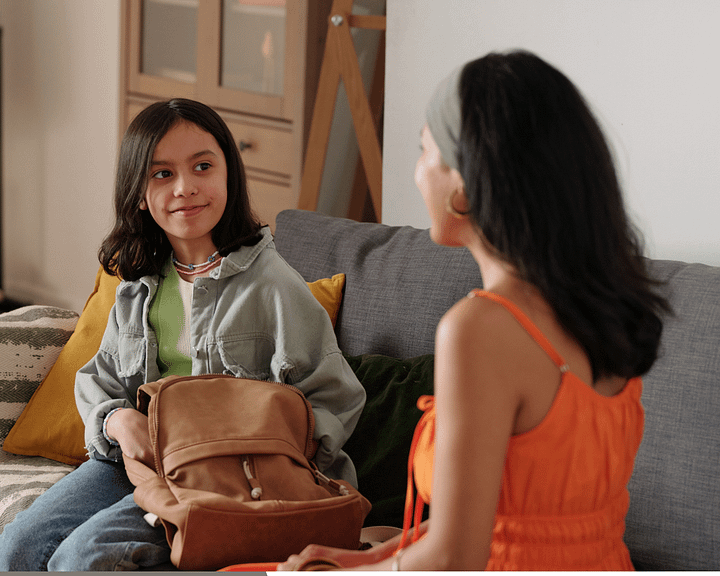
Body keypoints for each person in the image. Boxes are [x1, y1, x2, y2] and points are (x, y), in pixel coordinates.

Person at [277, 50, 670, 571]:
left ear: (464, 187)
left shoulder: (479, 329)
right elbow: (515, 514)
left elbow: (455, 558)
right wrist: (366, 559)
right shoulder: (611, 306)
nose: (417, 173)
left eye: (423, 152)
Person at [0, 98, 366, 571]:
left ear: (228, 173)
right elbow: (100, 379)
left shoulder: (274, 287)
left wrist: (251, 454)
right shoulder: (140, 286)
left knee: (84, 559)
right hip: (138, 464)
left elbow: (336, 399)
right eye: (162, 174)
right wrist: (116, 422)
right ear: (140, 194)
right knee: (19, 544)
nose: (185, 188)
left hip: (222, 478)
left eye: (202, 166)